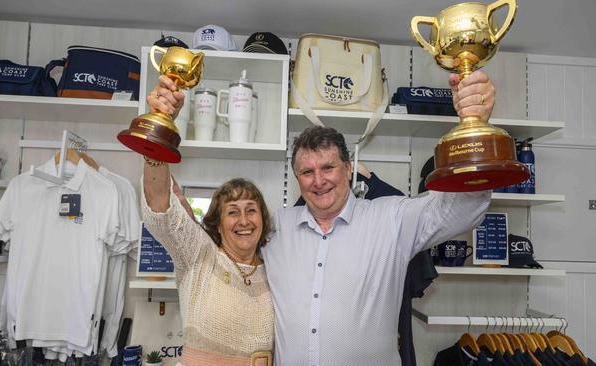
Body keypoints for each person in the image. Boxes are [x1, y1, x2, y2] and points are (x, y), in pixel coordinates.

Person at [149, 70, 495, 365]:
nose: (319, 180)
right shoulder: (274, 228)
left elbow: (460, 210)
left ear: (348, 169)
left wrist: (475, 126)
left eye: (328, 167)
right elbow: (199, 238)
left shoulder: (391, 218)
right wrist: (160, 137)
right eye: (307, 172)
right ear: (296, 179)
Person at [141, 152, 274, 362]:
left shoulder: (274, 268)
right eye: (232, 212)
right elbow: (161, 212)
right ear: (218, 224)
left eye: (251, 210)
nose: (244, 221)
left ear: (263, 219)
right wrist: (156, 145)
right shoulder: (200, 256)